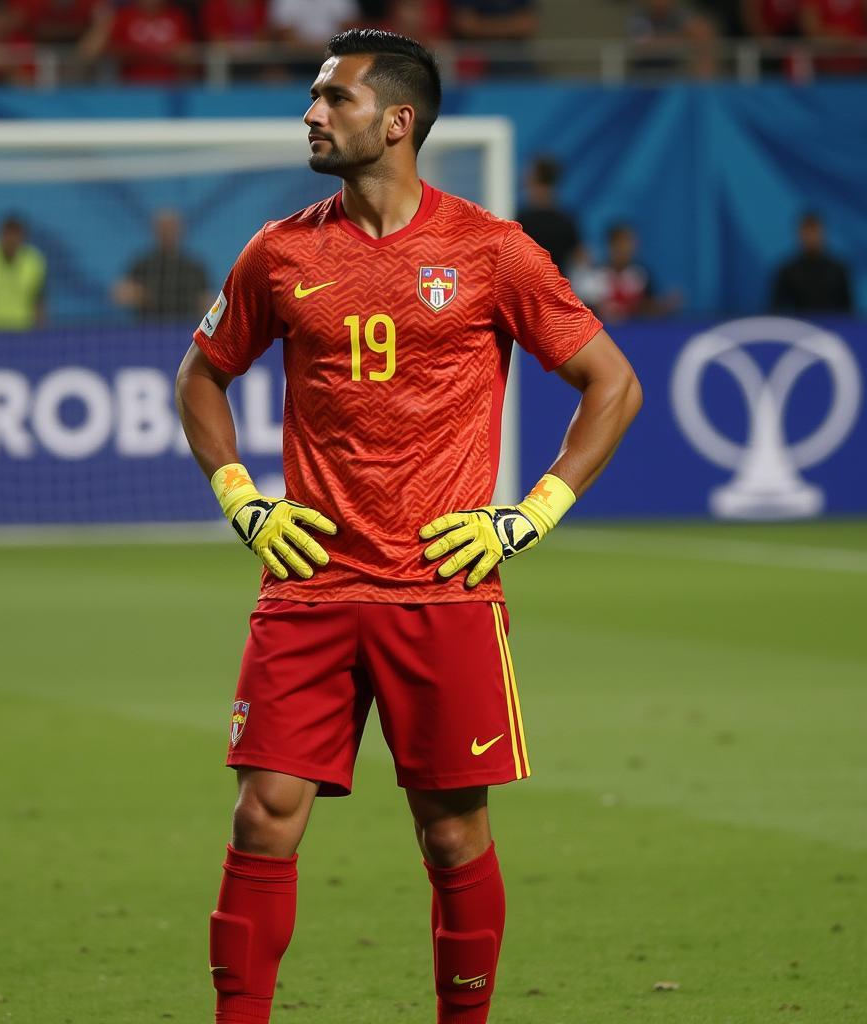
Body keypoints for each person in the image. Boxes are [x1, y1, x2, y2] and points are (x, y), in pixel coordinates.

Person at [175, 28, 641, 1024]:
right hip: (308, 585)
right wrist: (242, 498)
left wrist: (530, 514)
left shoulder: (490, 250)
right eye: (312, 97)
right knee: (263, 816)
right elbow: (201, 374)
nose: (310, 114)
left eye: (331, 99)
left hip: (443, 587)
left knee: (450, 836)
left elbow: (613, 382)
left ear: (396, 122)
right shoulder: (278, 250)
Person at [572, 221, 681, 323]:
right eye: (619, 243)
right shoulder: (594, 276)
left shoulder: (641, 274)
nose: (624, 249)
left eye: (629, 243)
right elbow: (582, 311)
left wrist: (665, 305)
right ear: (610, 245)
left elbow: (650, 308)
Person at [113, 210, 210, 322]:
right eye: (164, 228)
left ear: (181, 231)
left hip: (186, 329)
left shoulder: (195, 267)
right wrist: (139, 296)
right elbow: (120, 294)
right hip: (148, 329)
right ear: (155, 231)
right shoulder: (142, 265)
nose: (168, 232)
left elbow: (207, 301)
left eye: (172, 228)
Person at [771, 211, 853, 313]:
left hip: (831, 327)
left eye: (815, 232)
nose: (811, 237)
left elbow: (849, 311)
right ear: (800, 235)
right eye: (807, 232)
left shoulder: (839, 270)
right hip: (799, 326)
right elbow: (776, 309)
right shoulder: (787, 271)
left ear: (823, 234)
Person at [516, 155, 581, 275]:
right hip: (558, 287)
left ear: (535, 178)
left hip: (530, 287)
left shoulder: (522, 222)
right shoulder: (566, 220)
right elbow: (579, 256)